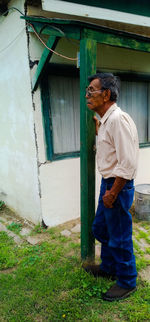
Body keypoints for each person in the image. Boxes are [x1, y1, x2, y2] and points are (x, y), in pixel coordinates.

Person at [84, 72, 139, 302]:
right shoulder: (107, 120)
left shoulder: (117, 119)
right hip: (108, 182)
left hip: (117, 185)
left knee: (119, 236)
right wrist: (98, 127)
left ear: (106, 94)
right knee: (101, 229)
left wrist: (113, 192)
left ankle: (127, 281)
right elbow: (111, 147)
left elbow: (128, 163)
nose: (87, 95)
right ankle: (109, 267)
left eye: (91, 91)